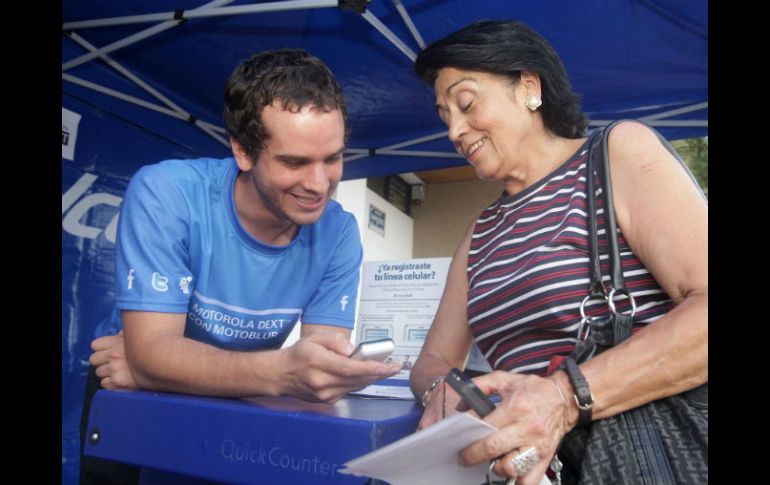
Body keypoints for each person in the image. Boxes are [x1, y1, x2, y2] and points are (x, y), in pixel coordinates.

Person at [79, 48, 401, 485]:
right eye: (294, 162)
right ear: (243, 151)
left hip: (211, 390)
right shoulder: (167, 193)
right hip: (129, 397)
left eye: (333, 158)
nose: (319, 184)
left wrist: (151, 369)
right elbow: (154, 351)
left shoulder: (340, 232)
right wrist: (279, 372)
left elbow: (318, 375)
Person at [408, 20, 707, 485]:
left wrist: (562, 398)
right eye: (445, 115)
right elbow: (433, 359)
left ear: (529, 88)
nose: (454, 130)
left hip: (645, 456)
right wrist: (441, 390)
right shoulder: (478, 234)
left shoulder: (615, 155)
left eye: (466, 104)